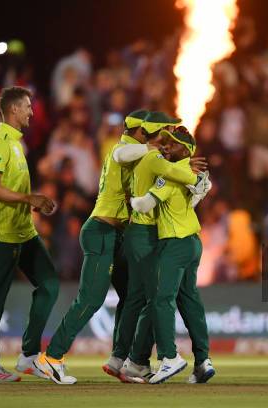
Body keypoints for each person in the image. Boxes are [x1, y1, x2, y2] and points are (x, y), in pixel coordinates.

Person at [102, 112, 208, 383]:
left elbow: (151, 198)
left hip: (155, 236)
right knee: (166, 299)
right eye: (167, 135)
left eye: (173, 140)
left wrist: (133, 199)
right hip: (166, 237)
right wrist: (196, 179)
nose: (169, 142)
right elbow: (180, 181)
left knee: (146, 299)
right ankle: (183, 359)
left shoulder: (158, 162)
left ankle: (132, 359)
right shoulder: (160, 160)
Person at [0, 86, 59, 382]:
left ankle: (29, 356)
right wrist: (28, 199)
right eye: (27, 107)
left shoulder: (16, 144)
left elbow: (14, 190)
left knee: (49, 284)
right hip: (4, 232)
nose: (31, 112)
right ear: (13, 110)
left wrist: (34, 201)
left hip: (24, 231)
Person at [130, 127, 214, 384]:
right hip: (192, 243)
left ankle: (169, 357)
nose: (166, 147)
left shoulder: (169, 176)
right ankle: (203, 361)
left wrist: (130, 199)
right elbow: (203, 187)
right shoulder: (190, 173)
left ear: (187, 152)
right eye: (165, 144)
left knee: (161, 300)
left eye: (173, 145)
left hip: (175, 244)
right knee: (190, 302)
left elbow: (145, 205)